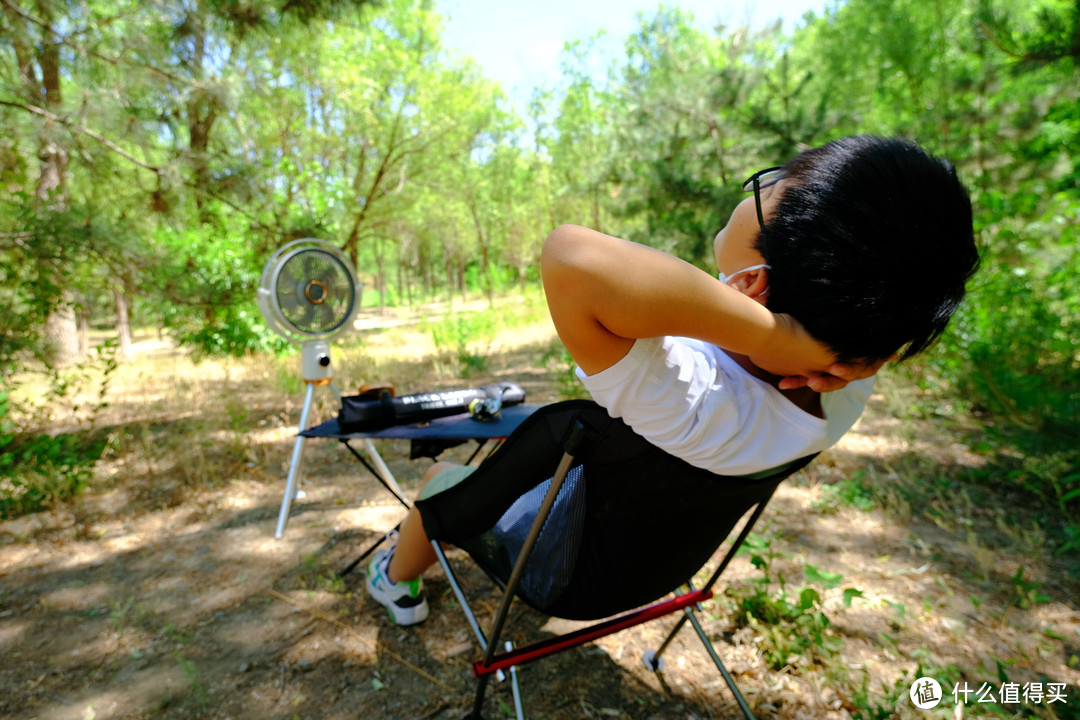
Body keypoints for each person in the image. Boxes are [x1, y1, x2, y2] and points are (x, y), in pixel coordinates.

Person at [364, 135, 980, 626]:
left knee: (443, 480)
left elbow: (571, 257)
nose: (759, 185)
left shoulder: (686, 398)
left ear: (755, 281)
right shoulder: (844, 388)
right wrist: (780, 336)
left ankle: (395, 583)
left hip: (562, 575)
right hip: (653, 570)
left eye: (768, 185)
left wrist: (769, 334)